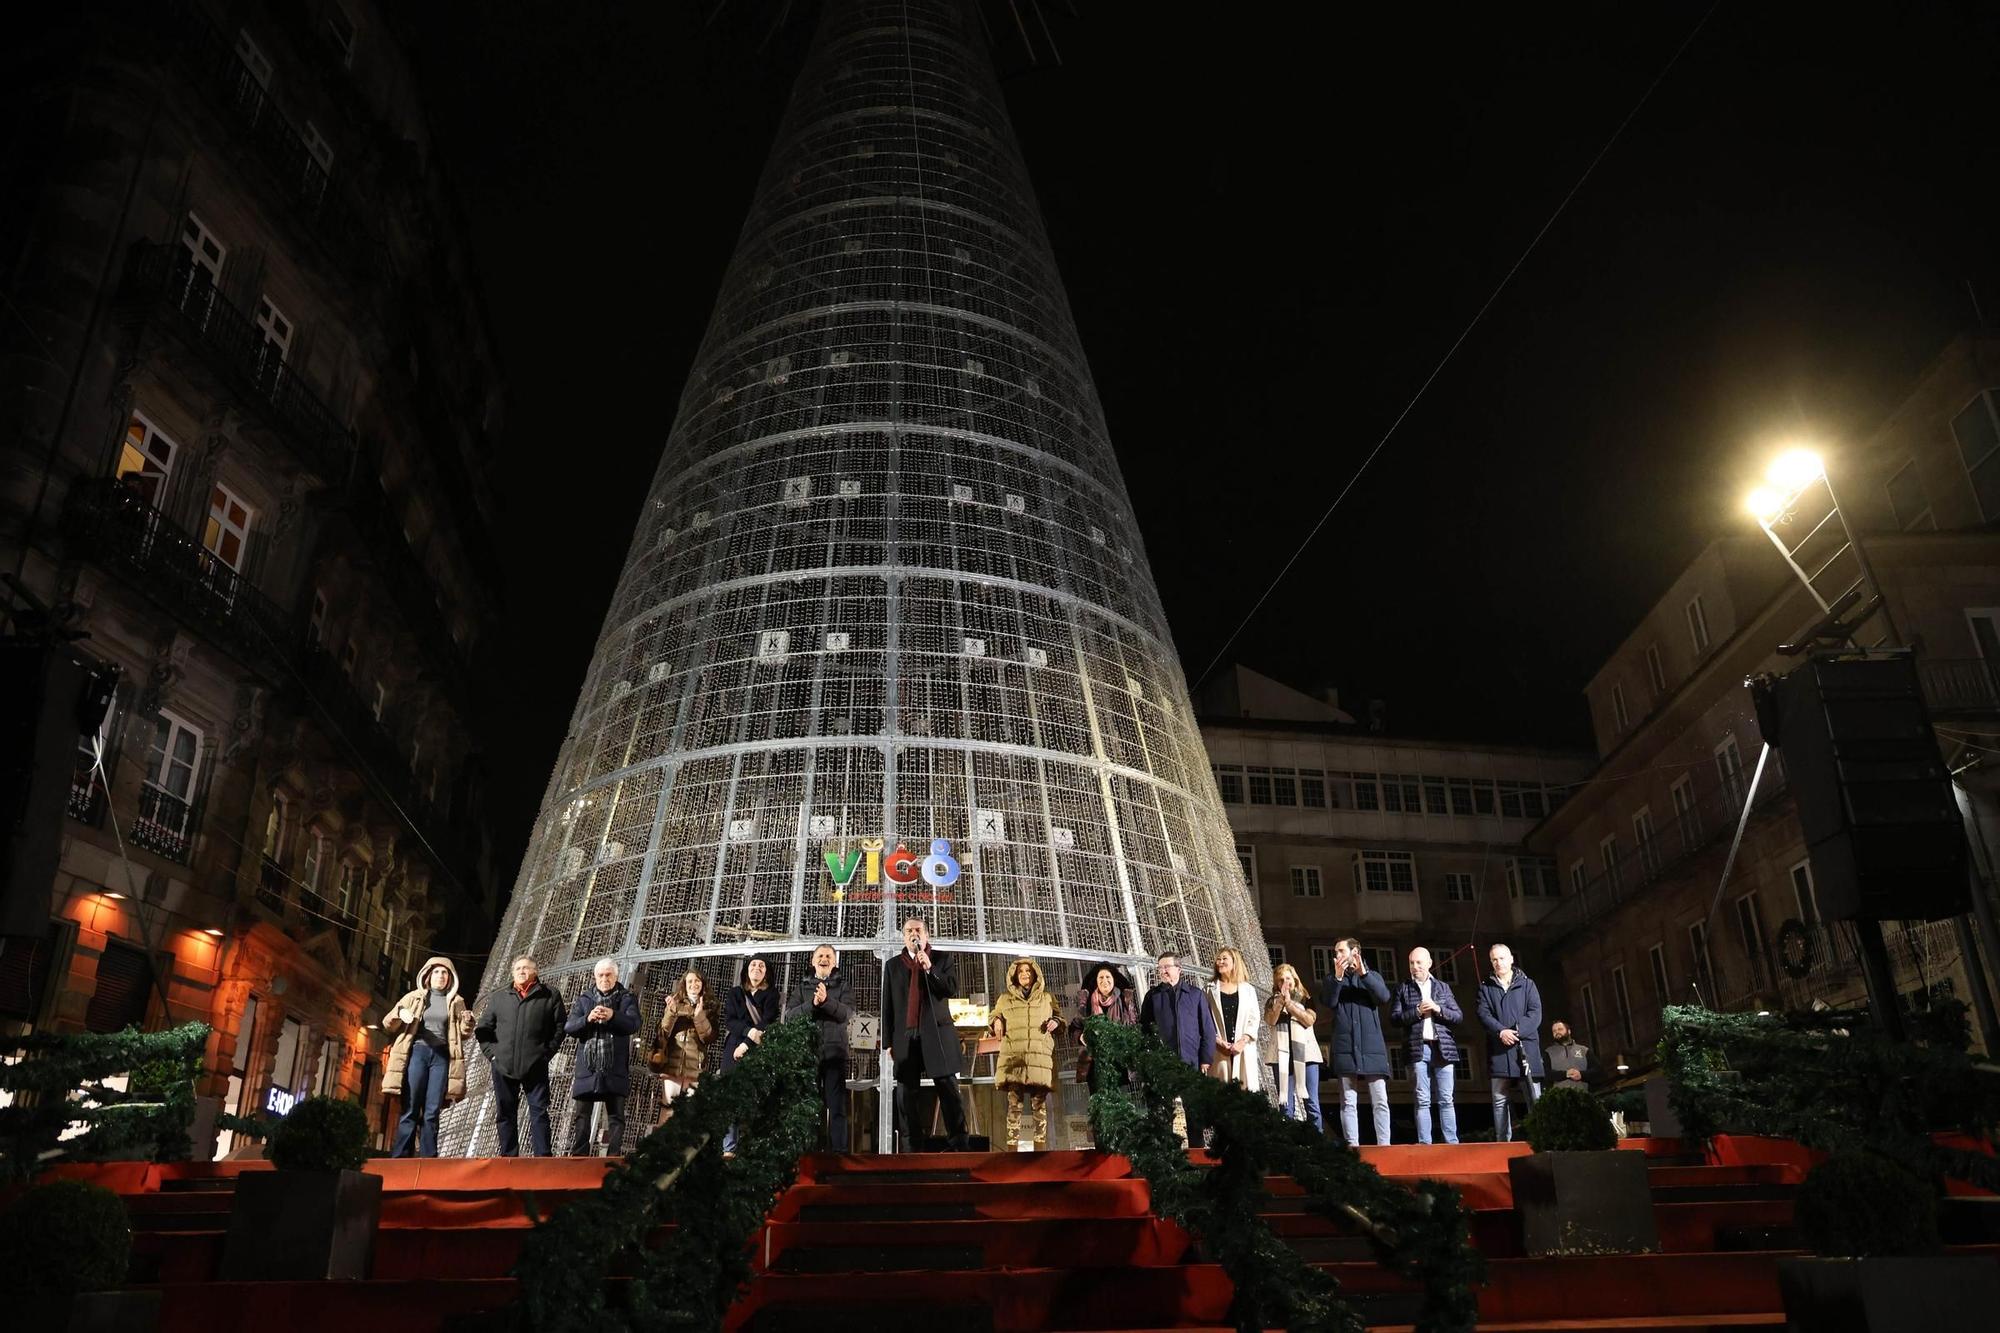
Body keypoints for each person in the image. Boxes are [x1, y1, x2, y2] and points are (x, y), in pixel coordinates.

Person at [883, 918, 968, 1151]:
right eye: (909, 931)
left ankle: (959, 1142)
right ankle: (912, 1148)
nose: (914, 934)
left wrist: (929, 968)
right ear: (903, 937)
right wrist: (889, 1041)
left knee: (948, 1088)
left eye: (918, 930)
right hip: (906, 1037)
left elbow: (950, 988)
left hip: (937, 1035)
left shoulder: (942, 959)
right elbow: (888, 1005)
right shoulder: (892, 965)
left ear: (926, 935)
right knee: (906, 1094)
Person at [382, 955, 476, 1158]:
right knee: (411, 1105)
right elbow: (388, 1023)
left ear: (450, 978)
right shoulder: (414, 997)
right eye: (436, 972)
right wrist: (399, 1013)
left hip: (441, 1057)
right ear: (428, 975)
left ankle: (428, 1157)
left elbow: (464, 1033)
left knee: (432, 1110)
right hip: (418, 1052)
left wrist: (468, 1021)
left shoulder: (456, 1001)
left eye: (444, 973)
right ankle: (400, 1155)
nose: (440, 976)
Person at [476, 955, 564, 1157]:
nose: (522, 971)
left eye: (526, 968)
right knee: (505, 1114)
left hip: (535, 1064)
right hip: (503, 1065)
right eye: (518, 969)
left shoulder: (550, 995)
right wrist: (493, 1056)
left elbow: (559, 1027)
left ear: (536, 972)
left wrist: (546, 1053)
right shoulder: (499, 997)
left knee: (539, 1112)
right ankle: (509, 1157)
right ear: (512, 973)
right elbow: (483, 1029)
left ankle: (542, 1157)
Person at [563, 956, 641, 1157]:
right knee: (582, 1114)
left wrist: (612, 1015)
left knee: (616, 1115)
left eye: (608, 975)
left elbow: (633, 1024)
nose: (604, 979)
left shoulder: (626, 998)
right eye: (600, 975)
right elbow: (569, 1027)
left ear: (615, 976)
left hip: (614, 1065)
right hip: (587, 1067)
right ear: (594, 977)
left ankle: (613, 1156)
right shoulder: (584, 999)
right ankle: (579, 1154)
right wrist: (587, 1019)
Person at [1138, 952, 1216, 1149]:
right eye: (1160, 967)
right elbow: (1144, 1029)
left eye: (1167, 967)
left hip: (1191, 1062)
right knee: (1163, 1113)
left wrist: (1205, 1059)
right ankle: (1167, 1155)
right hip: (1163, 1064)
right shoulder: (1153, 996)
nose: (1163, 971)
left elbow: (1207, 1029)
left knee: (1194, 1113)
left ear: (1178, 969)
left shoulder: (1195, 995)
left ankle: (1197, 1153)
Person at [1319, 938, 1393, 1146]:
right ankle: (1352, 1145)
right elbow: (1329, 1001)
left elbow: (1384, 996)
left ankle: (1384, 1145)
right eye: (1336, 952)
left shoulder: (1372, 976)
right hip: (1345, 1047)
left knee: (1380, 1100)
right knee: (1348, 1102)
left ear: (1355, 952)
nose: (1337, 955)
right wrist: (1338, 978)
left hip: (1372, 1048)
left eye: (1341, 951)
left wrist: (1364, 974)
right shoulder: (1332, 979)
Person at [1390, 946, 1463, 1146]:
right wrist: (1416, 1011)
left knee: (1446, 1099)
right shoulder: (1402, 988)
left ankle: (1451, 1143)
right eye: (1412, 963)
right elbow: (1395, 1019)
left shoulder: (1442, 987)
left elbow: (1458, 1017)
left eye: (1419, 963)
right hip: (1417, 1049)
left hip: (1443, 1048)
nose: (1415, 967)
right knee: (1422, 1098)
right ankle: (1425, 1144)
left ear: (1429, 963)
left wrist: (1438, 1009)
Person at [989, 957, 1064, 1149]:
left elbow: (1060, 1019)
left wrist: (1057, 1022)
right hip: (1015, 1058)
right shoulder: (1005, 999)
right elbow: (994, 1015)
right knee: (1014, 1105)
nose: (1024, 974)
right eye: (1020, 971)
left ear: (1035, 974)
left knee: (1039, 1105)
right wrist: (996, 1020)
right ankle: (1012, 1150)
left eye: (1028, 971)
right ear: (1014, 975)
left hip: (1039, 1057)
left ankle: (1040, 1149)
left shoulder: (1047, 998)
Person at [784, 943, 854, 1151]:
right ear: (813, 961)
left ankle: (839, 1153)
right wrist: (812, 1004)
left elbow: (847, 1014)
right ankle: (809, 1152)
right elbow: (790, 1016)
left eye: (828, 956)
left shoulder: (844, 987)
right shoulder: (802, 987)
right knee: (809, 1105)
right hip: (807, 1054)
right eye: (820, 956)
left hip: (835, 1054)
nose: (824, 959)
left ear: (835, 962)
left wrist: (826, 1001)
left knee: (837, 1106)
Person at [1477, 942, 1545, 1141]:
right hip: (1499, 1051)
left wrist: (1515, 1031)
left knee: (1534, 1097)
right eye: (1494, 959)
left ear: (1511, 959)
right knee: (1499, 1100)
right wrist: (1501, 1032)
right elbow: (1483, 1014)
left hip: (1526, 1048)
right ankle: (1502, 1142)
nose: (1498, 963)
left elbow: (1535, 1013)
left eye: (1502, 958)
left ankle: (1539, 1138)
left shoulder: (1528, 984)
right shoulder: (1485, 987)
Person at [719, 952, 783, 1156]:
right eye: (753, 964)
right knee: (730, 1097)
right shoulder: (735, 993)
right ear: (746, 969)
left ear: (767, 972)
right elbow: (730, 1021)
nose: (757, 968)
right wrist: (748, 1032)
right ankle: (729, 1147)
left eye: (761, 966)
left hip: (758, 1048)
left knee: (757, 1096)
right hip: (733, 1049)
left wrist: (747, 1043)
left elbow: (767, 1020)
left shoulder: (773, 994)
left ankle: (755, 1147)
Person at [649, 967, 716, 1125]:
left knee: (688, 1113)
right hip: (672, 1063)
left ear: (703, 984)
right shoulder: (675, 1003)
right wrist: (671, 1012)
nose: (693, 984)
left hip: (695, 1065)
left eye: (697, 981)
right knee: (668, 1109)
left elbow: (709, 1037)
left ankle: (681, 1149)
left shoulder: (710, 1007)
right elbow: (662, 1033)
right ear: (684, 985)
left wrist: (699, 1016)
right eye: (690, 981)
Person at [1263, 962, 1322, 1130]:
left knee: (1311, 1102)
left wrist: (1290, 1005)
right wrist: (1280, 1003)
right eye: (1281, 980)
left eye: (1288, 979)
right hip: (1281, 1057)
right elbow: (1270, 1020)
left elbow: (1309, 1020)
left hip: (1306, 1056)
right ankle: (1288, 1144)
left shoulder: (1306, 998)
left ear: (1295, 981)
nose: (1285, 983)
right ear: (1276, 984)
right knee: (1285, 1104)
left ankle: (1317, 1142)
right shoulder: (1272, 1001)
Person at [1072, 960, 1138, 1094]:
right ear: (1096, 981)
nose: (1104, 980)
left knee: (1121, 1105)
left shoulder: (1125, 1003)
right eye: (1100, 977)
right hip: (1094, 1065)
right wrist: (1080, 1037)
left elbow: (1135, 1027)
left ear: (1114, 980)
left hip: (1120, 1062)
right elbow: (1074, 1028)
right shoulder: (1086, 1005)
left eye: (1108, 977)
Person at [1207, 947, 1262, 1092]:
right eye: (1218, 959)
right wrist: (1218, 1041)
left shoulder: (1248, 989)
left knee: (1245, 1092)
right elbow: (1205, 1019)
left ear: (1234, 962)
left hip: (1242, 1048)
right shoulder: (1208, 989)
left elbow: (1254, 1018)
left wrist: (1243, 1040)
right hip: (1220, 1048)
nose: (1220, 962)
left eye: (1224, 958)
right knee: (1221, 1092)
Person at [1546, 1020, 1591, 1085]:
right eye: (1554, 1031)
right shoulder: (1548, 1052)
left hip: (1582, 1093)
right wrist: (1566, 1074)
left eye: (1560, 1029)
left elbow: (1598, 1071)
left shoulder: (1584, 1050)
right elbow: (1546, 1074)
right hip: (1558, 1094)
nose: (1557, 1032)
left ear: (1569, 1031)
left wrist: (1581, 1075)